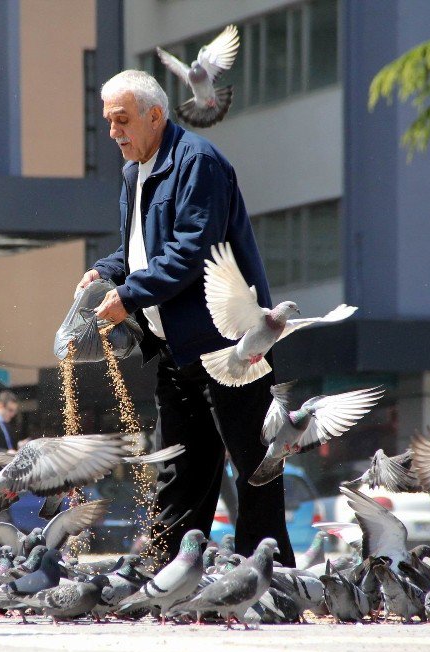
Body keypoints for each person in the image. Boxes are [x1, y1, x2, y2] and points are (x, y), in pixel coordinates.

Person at [77, 70, 295, 566]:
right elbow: (139, 250)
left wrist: (128, 296)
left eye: (122, 120)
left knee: (256, 465)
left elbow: (189, 251)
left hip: (230, 346)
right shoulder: (135, 169)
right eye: (108, 122)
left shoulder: (198, 161)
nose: (114, 133)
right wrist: (103, 272)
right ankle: (169, 575)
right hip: (174, 347)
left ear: (155, 116)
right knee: (183, 467)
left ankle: (271, 579)